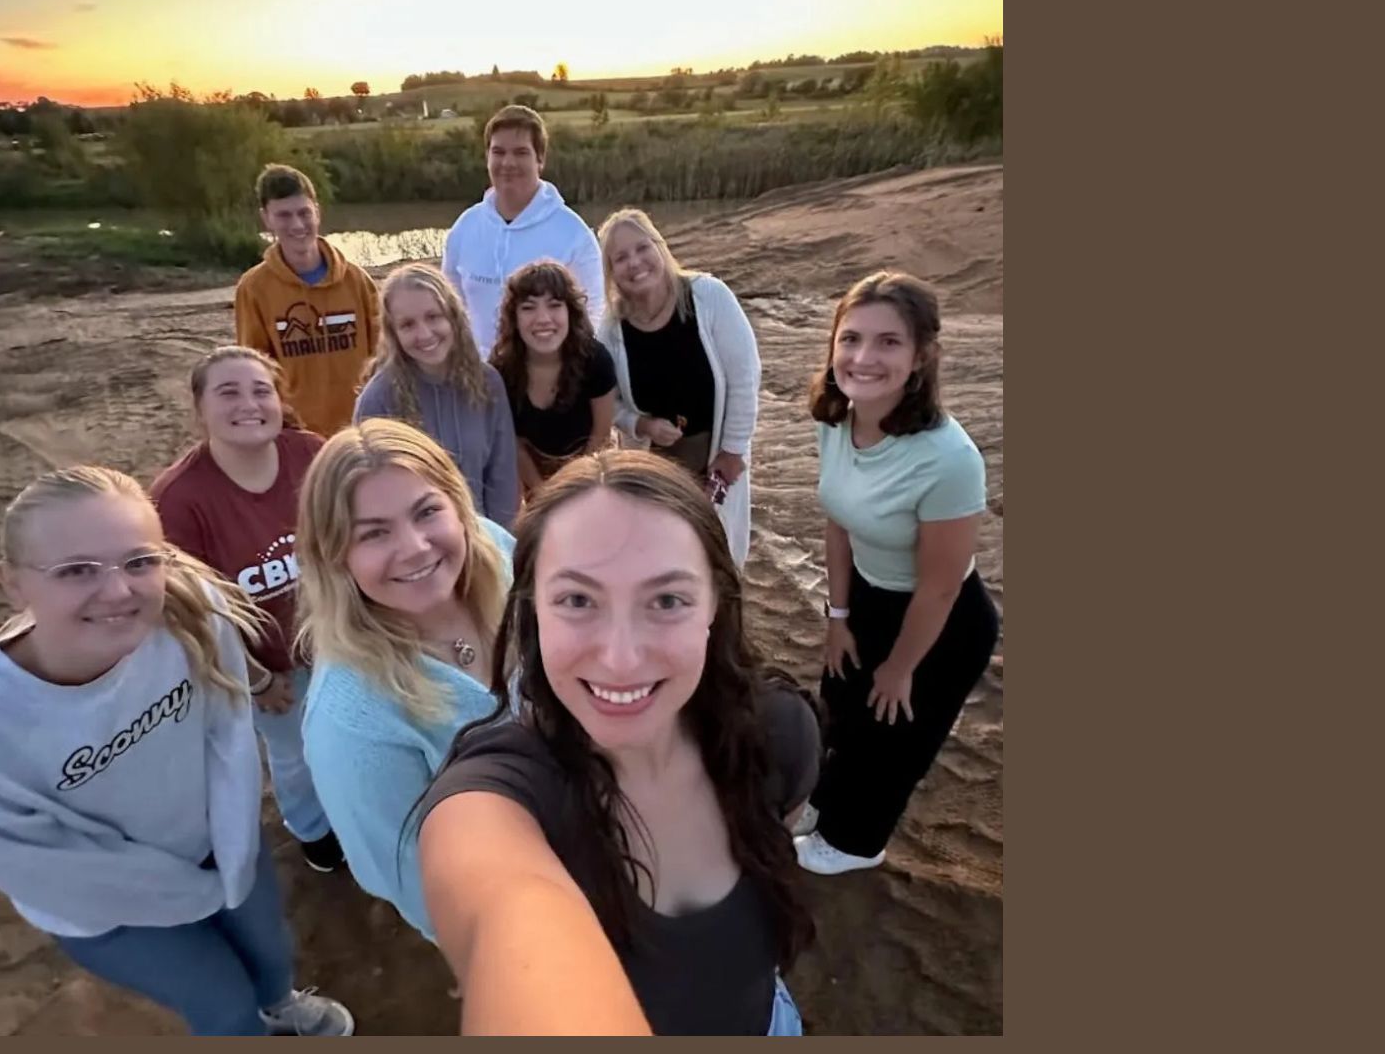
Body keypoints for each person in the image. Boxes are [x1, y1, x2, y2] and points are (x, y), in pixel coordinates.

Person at [414, 451, 820, 1035]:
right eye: (578, 600)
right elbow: (503, 910)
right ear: (533, 613)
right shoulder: (495, 801)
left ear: (714, 606)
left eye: (667, 600)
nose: (622, 658)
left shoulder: (778, 735)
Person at [0, 466, 354, 1036]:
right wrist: (199, 892)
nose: (117, 591)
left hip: (224, 844)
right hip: (106, 909)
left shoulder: (192, 613)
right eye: (76, 570)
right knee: (223, 1003)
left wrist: (233, 852)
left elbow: (227, 739)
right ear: (12, 583)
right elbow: (46, 865)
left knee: (269, 952)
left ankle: (280, 1004)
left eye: (139, 562)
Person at [792, 271, 1000, 876]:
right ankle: (826, 806)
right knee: (842, 708)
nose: (863, 357)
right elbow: (838, 521)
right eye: (851, 338)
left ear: (920, 357)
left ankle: (855, 843)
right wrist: (838, 618)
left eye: (888, 342)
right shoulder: (834, 419)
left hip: (940, 620)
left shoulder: (950, 460)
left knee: (891, 737)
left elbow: (940, 585)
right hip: (866, 594)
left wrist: (902, 667)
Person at [292, 418, 516, 941]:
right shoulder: (352, 723)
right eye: (373, 533)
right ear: (334, 555)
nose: (415, 547)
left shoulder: (497, 552)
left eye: (427, 511)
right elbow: (417, 885)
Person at [149, 346, 345, 875]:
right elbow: (187, 609)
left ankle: (357, 813)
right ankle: (314, 832)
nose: (248, 404)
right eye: (228, 392)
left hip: (340, 641)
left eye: (261, 390)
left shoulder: (312, 454)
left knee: (348, 734)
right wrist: (255, 678)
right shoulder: (179, 499)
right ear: (199, 408)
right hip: (268, 663)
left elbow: (351, 538)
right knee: (294, 753)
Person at [594, 207, 760, 567]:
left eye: (642, 248)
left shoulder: (708, 296)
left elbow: (745, 379)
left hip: (715, 456)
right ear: (610, 272)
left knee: (718, 556)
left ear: (659, 246)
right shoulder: (611, 330)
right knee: (662, 560)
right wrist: (642, 424)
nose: (634, 263)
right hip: (655, 465)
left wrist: (732, 452)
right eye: (620, 258)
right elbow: (611, 404)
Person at [354, 263, 519, 529]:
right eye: (407, 325)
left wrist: (502, 547)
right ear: (393, 333)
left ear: (453, 316)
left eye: (433, 316)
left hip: (484, 539)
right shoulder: (378, 399)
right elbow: (370, 497)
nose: (424, 334)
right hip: (417, 547)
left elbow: (503, 480)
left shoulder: (488, 382)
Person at [441, 105, 606, 359]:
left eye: (520, 153)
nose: (508, 163)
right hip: (478, 381)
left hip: (547, 384)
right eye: (498, 152)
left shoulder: (574, 234)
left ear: (540, 159)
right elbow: (451, 308)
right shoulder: (465, 227)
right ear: (487, 157)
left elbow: (592, 315)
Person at [232, 163, 382, 435]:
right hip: (296, 435)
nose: (297, 225)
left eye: (304, 213)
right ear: (266, 218)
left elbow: (383, 359)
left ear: (317, 211)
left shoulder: (357, 281)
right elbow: (255, 372)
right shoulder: (254, 289)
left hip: (360, 431)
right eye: (284, 215)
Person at [487, 259, 619, 496]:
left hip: (594, 463)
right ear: (514, 318)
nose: (543, 319)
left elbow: (601, 434)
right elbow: (513, 444)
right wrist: (543, 492)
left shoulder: (596, 360)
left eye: (554, 305)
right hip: (532, 474)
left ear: (571, 312)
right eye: (528, 307)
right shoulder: (500, 370)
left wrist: (578, 486)